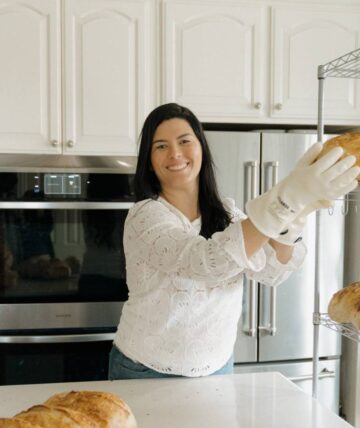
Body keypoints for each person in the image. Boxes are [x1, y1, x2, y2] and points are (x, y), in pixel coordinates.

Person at [108, 103, 359, 380]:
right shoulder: (146, 216)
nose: (175, 153)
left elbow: (272, 271)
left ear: (201, 148)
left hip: (218, 367)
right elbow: (207, 262)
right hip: (146, 369)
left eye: (184, 141)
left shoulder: (227, 215)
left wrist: (297, 213)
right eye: (161, 146)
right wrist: (286, 198)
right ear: (150, 162)